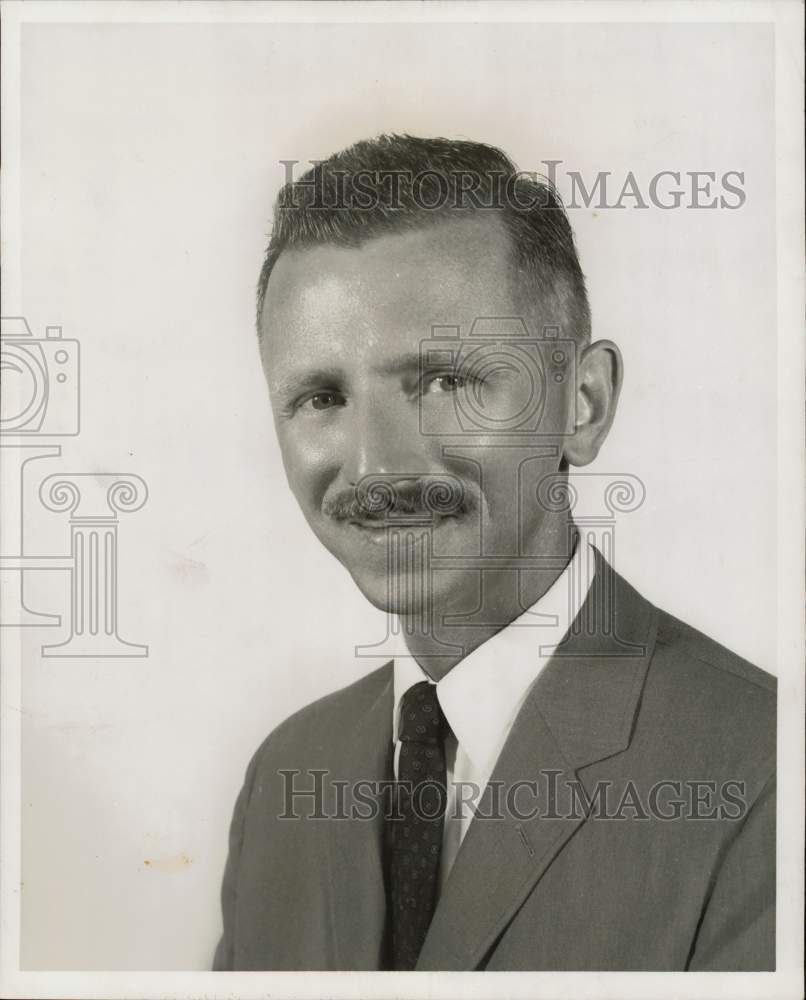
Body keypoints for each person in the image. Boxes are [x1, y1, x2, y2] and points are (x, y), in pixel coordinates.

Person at [213, 135, 775, 971]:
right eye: (322, 396)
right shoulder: (288, 773)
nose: (373, 465)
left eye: (444, 379)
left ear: (582, 405)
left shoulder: (767, 771)